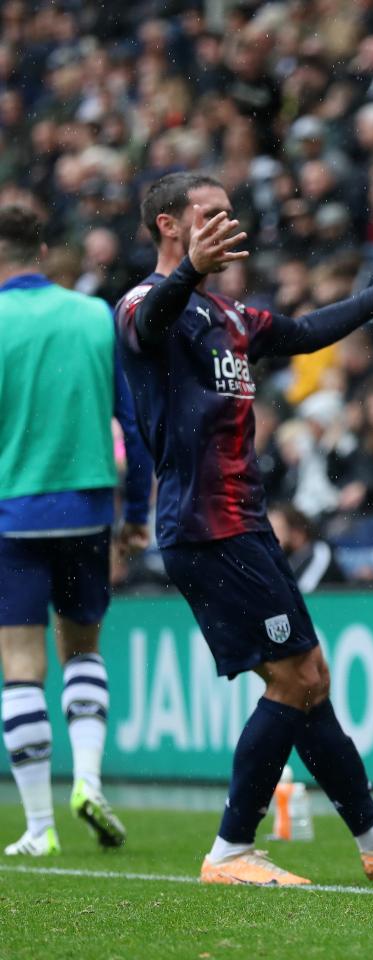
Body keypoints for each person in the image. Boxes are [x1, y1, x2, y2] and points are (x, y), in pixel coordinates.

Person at [115, 172, 373, 886]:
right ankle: (230, 851)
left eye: (230, 213)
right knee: (295, 677)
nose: (227, 225)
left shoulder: (228, 314)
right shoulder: (145, 302)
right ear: (168, 226)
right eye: (209, 215)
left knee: (309, 677)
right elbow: (149, 328)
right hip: (204, 526)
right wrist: (189, 272)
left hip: (243, 522)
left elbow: (306, 333)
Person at [0, 205, 151, 857]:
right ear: (41, 250)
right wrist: (137, 511)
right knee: (83, 650)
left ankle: (39, 828)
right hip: (87, 509)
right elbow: (132, 425)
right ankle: (89, 779)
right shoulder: (93, 316)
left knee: (21, 666)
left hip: (13, 512)